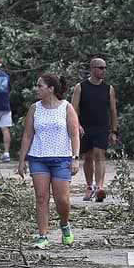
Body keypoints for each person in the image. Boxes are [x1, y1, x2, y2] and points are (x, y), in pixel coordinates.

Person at [16, 74, 82, 249]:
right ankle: (42, 235)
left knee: (62, 199)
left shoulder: (66, 108)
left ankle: (64, 224)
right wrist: (22, 160)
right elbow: (28, 135)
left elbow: (74, 135)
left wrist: (75, 157)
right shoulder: (34, 109)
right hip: (38, 157)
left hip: (62, 158)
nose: (36, 89)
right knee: (41, 197)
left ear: (51, 89)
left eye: (40, 86)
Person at [71, 57, 118, 202]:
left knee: (100, 155)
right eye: (100, 68)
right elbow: (73, 108)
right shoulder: (81, 87)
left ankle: (99, 187)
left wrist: (114, 131)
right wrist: (77, 125)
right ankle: (89, 186)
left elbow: (113, 110)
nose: (103, 70)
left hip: (102, 127)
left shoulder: (108, 89)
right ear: (92, 69)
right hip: (85, 127)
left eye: (105, 68)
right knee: (88, 156)